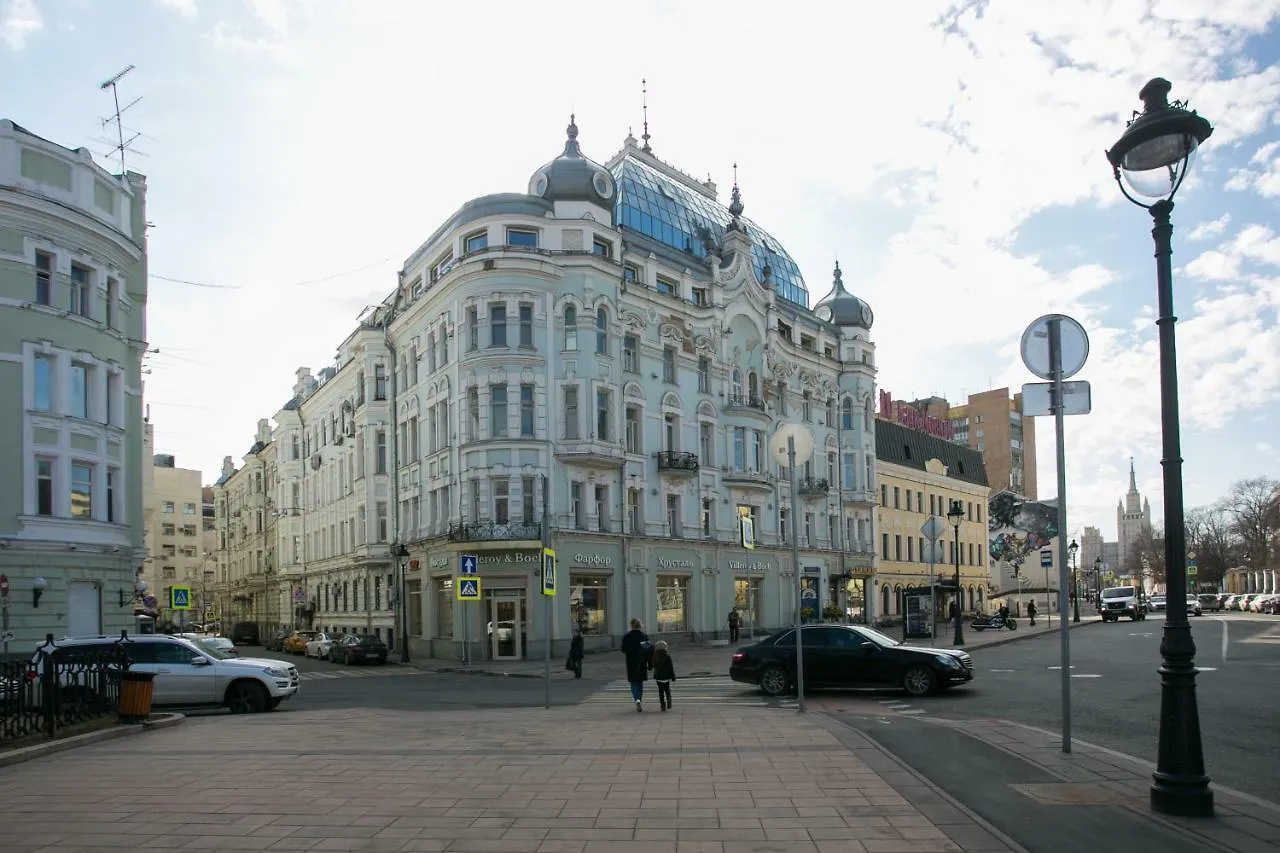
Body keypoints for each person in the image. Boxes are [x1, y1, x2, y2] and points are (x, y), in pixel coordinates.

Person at [620, 618, 651, 712]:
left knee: (633, 682)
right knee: (640, 682)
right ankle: (639, 699)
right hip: (641, 662)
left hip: (631, 662)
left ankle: (637, 699)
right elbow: (648, 650)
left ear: (631, 625)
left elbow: (623, 649)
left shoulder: (627, 636)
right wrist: (649, 662)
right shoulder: (644, 636)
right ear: (640, 625)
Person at [651, 641, 677, 711]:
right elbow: (670, 667)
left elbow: (653, 666)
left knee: (661, 692)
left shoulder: (654, 657)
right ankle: (669, 701)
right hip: (666, 677)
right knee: (667, 690)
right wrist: (673, 676)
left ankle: (662, 705)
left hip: (658, 678)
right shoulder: (667, 656)